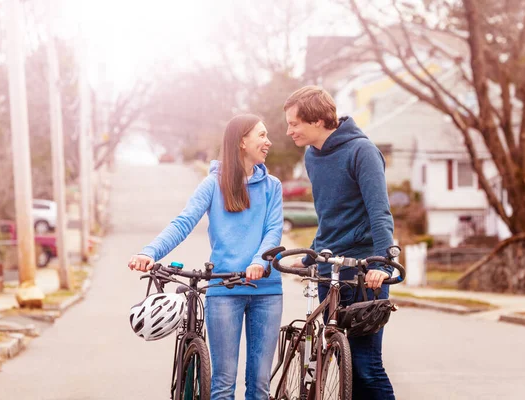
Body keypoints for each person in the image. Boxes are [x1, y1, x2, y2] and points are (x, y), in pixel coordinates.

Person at [128, 114, 284, 400]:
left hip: (267, 290)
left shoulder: (272, 186)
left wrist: (259, 262)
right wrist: (149, 252)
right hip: (224, 290)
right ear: (241, 142)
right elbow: (183, 222)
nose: (268, 141)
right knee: (223, 385)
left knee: (260, 386)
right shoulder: (213, 184)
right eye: (261, 135)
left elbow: (273, 231)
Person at [284, 86, 396, 399]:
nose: (289, 130)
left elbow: (379, 212)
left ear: (318, 121)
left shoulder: (362, 152)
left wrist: (381, 262)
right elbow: (329, 217)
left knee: (365, 366)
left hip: (362, 270)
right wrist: (310, 257)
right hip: (328, 269)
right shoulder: (311, 156)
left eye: (294, 123)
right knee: (330, 356)